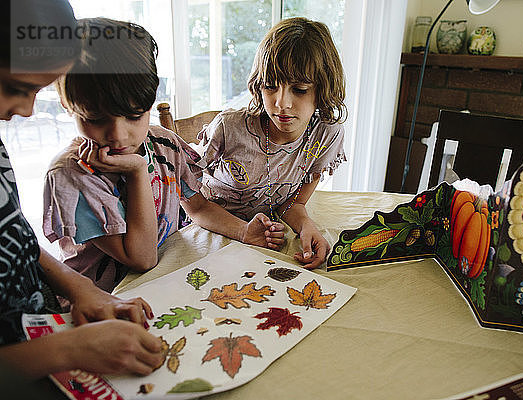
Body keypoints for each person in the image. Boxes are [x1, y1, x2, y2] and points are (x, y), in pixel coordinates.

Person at [43, 18, 285, 293]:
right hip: (107, 302)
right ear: (68, 106)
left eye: (134, 116)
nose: (118, 135)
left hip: (166, 281)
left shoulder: (164, 144)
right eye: (96, 119)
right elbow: (142, 258)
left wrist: (243, 231)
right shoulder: (71, 176)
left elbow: (199, 207)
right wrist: (136, 172)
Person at [0, 0, 163, 379]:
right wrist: (70, 348)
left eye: (36, 91)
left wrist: (79, 287)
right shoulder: (69, 174)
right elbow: (141, 256)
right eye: (14, 88)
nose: (26, 110)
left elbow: (16, 240)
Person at [197, 17, 347, 269]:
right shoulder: (229, 128)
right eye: (270, 87)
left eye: (299, 89)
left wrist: (306, 226)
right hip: (210, 229)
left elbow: (293, 203)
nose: (281, 104)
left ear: (323, 90)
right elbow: (189, 199)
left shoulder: (326, 135)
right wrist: (243, 231)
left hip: (260, 238)